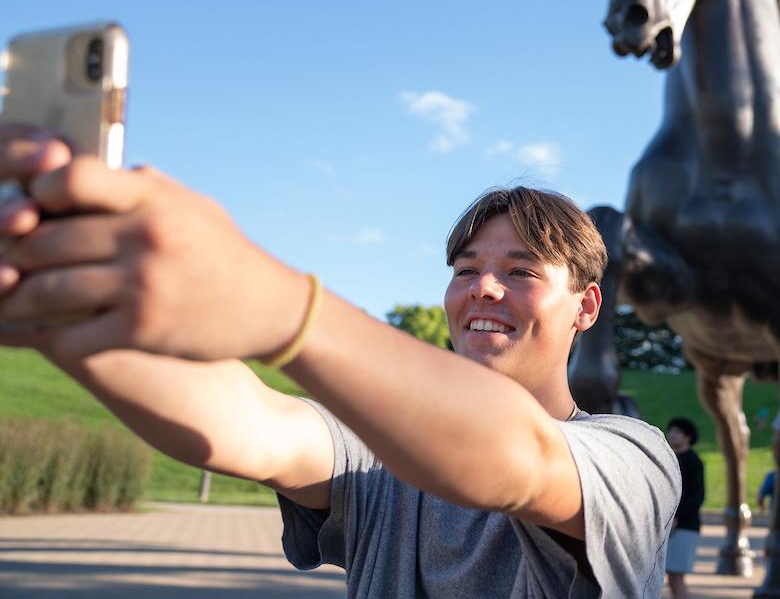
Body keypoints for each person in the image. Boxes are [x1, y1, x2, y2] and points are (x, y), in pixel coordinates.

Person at [0, 131, 681, 598]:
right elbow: (250, 422)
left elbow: (519, 458)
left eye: (521, 269)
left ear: (587, 307)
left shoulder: (634, 458)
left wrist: (280, 308)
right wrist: (66, 316)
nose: (483, 288)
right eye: (466, 269)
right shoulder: (384, 458)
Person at [664, 416, 705, 599]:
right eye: (671, 430)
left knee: (676, 577)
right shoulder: (669, 458)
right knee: (671, 578)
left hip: (685, 526)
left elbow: (696, 497)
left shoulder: (693, 461)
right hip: (669, 525)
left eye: (677, 432)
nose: (672, 434)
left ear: (688, 436)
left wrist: (677, 518)